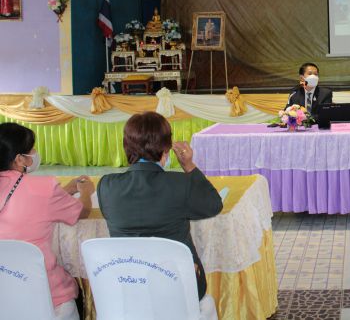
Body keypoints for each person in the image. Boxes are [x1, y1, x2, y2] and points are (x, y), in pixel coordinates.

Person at [97, 112, 223, 300]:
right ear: (166, 148)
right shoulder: (180, 184)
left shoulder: (106, 186)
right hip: (180, 287)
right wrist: (189, 166)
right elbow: (214, 205)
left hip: (130, 287)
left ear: (126, 146)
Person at [0, 123, 94, 320]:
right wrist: (86, 192)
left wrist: (65, 191)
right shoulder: (43, 187)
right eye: (31, 149)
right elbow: (82, 211)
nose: (35, 153)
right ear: (19, 159)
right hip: (48, 297)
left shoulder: (43, 190)